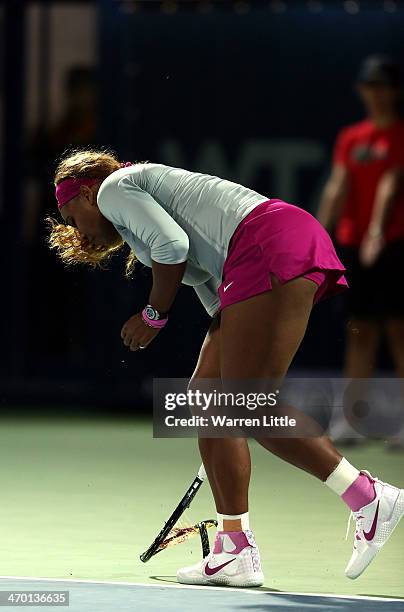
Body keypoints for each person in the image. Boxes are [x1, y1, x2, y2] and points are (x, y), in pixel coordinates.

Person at [47, 148, 404, 588]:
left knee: (245, 406)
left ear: (85, 193)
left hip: (266, 242)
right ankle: (233, 548)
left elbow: (172, 248)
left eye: (71, 215)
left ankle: (369, 498)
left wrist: (154, 314)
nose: (76, 229)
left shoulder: (115, 188)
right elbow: (212, 286)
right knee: (208, 400)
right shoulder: (137, 198)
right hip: (265, 249)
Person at [318, 56, 404, 446]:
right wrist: (317, 233)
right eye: (370, 86)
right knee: (360, 331)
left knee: (400, 331)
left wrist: (376, 232)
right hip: (355, 246)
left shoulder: (401, 134)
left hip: (395, 244)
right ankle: (350, 420)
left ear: (394, 91)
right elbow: (338, 184)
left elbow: (390, 183)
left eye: (383, 86)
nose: (377, 94)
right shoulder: (351, 137)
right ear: (362, 91)